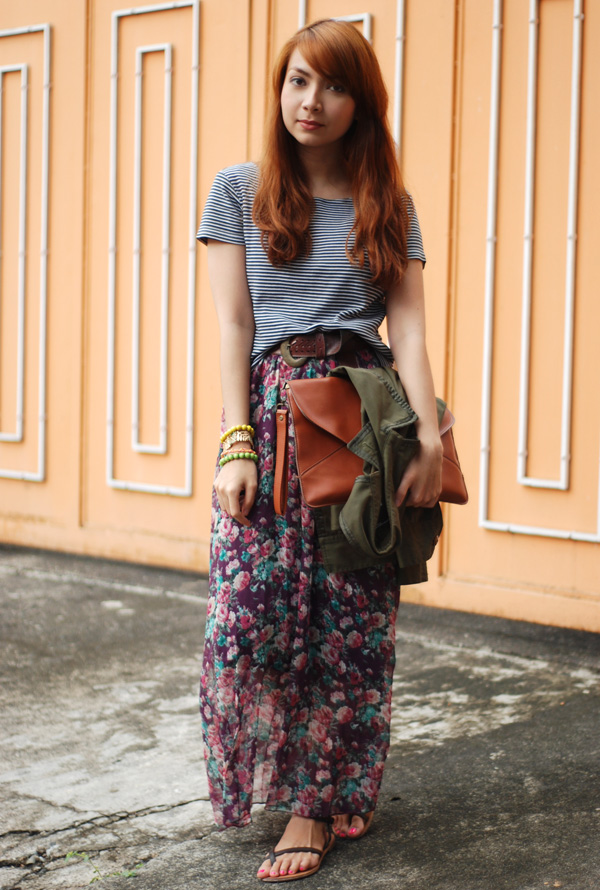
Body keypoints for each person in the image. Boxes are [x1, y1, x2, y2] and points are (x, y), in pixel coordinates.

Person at [197, 18, 443, 883]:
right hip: (270, 422)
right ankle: (303, 782)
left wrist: (429, 435)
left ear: (362, 103)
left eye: (335, 86)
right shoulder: (239, 191)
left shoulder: (389, 204)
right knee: (248, 621)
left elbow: (410, 331)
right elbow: (235, 325)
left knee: (349, 624)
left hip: (362, 424)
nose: (312, 101)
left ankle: (317, 802)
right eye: (298, 80)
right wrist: (235, 442)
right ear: (280, 90)